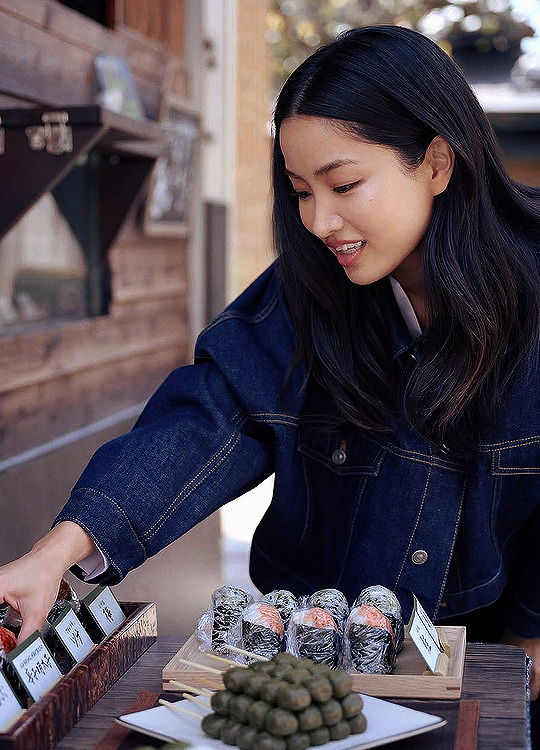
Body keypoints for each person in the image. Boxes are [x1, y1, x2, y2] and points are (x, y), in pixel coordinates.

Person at [1, 23, 540, 728]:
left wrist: (530, 634)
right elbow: (209, 417)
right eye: (300, 191)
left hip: (494, 654)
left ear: (437, 164)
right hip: (320, 663)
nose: (319, 221)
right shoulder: (308, 288)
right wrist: (58, 551)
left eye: (344, 184)